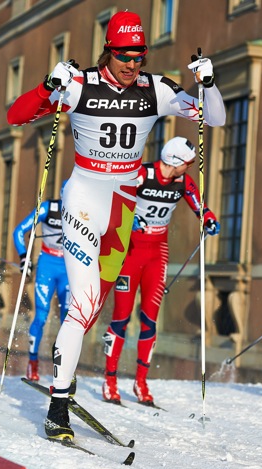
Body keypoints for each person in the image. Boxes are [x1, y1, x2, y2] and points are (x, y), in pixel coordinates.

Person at [7, 10, 225, 440]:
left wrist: (209, 82)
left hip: (124, 208)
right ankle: (59, 405)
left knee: (97, 308)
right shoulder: (79, 84)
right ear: (109, 50)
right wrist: (48, 87)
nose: (132, 65)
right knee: (84, 305)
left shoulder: (156, 88)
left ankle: (65, 359)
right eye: (124, 56)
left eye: (139, 57)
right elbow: (17, 116)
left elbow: (212, 119)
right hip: (86, 200)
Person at [101, 136, 220, 406]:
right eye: (187, 163)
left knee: (150, 319)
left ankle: (140, 383)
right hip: (130, 251)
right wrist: (130, 220)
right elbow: (114, 203)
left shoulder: (182, 182)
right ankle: (110, 380)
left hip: (157, 252)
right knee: (121, 317)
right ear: (175, 161)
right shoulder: (142, 174)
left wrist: (208, 218)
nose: (189, 168)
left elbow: (198, 204)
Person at [12, 182, 70, 382]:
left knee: (69, 320)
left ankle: (64, 367)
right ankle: (33, 363)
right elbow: (19, 231)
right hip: (47, 264)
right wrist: (23, 258)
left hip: (70, 268)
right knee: (42, 314)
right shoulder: (48, 208)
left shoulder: (84, 212)